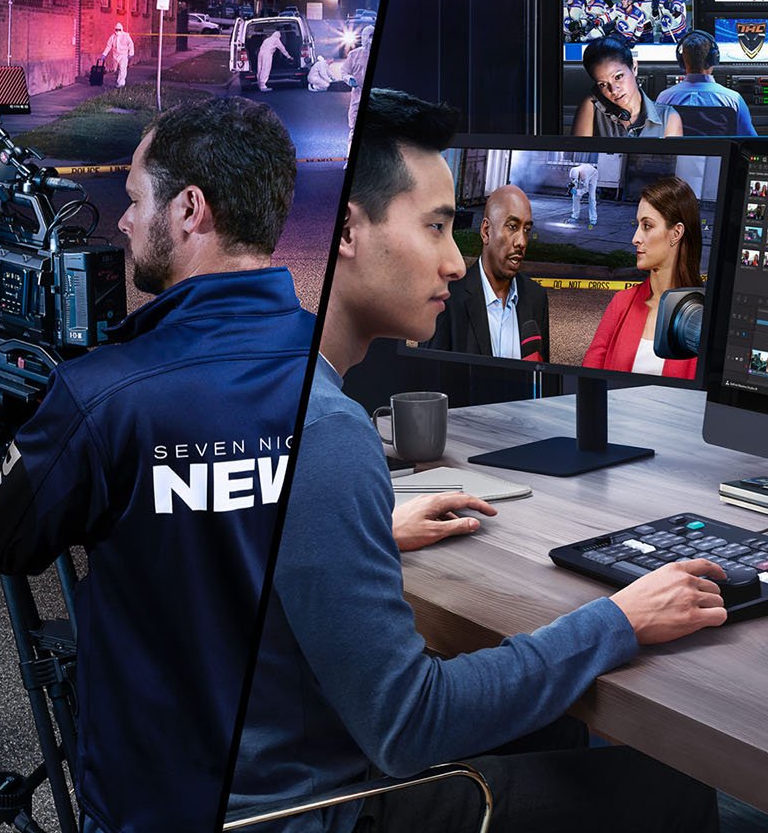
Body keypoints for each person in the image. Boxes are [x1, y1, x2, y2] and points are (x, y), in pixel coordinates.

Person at [227, 88, 723, 833]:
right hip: (321, 809)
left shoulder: (263, 384)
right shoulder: (328, 429)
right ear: (348, 229)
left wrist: (363, 528)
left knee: (550, 728)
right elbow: (408, 725)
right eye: (436, 228)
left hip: (254, 769)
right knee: (671, 789)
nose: (456, 263)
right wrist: (615, 619)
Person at [0, 97, 315, 832]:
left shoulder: (108, 393)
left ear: (190, 209)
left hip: (148, 792)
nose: (122, 221)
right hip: (298, 785)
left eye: (133, 198)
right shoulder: (326, 361)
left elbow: (9, 537)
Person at [583, 176, 704, 378]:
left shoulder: (705, 317)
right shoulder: (621, 303)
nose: (635, 239)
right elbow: (588, 381)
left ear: (676, 233)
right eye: (638, 225)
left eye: (647, 226)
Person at [426, 184, 551, 360]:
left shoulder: (536, 297)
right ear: (486, 231)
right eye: (512, 227)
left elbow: (541, 376)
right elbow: (430, 378)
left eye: (527, 230)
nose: (521, 242)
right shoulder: (448, 299)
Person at [571, 35, 683, 137]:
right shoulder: (592, 108)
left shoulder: (668, 118)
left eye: (618, 77)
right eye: (603, 84)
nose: (614, 90)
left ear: (634, 68)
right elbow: (578, 157)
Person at [657, 30, 758, 137]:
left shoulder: (664, 99)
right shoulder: (733, 100)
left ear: (681, 60)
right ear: (714, 59)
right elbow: (750, 142)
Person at [345, 24, 374, 141]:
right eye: (369, 36)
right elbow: (344, 71)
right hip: (358, 96)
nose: (371, 39)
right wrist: (348, 79)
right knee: (354, 128)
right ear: (363, 37)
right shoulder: (354, 54)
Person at [101, 22, 135, 88]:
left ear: (122, 29)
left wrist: (131, 53)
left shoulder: (126, 36)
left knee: (123, 69)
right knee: (115, 70)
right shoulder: (113, 37)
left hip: (124, 55)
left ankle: (121, 83)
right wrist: (104, 54)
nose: (118, 31)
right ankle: (117, 81)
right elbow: (109, 46)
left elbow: (131, 44)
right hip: (115, 55)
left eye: (119, 30)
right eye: (116, 30)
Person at [569, 162, 600, 226]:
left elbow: (586, 189)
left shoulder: (584, 175)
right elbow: (574, 181)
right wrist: (574, 189)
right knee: (575, 197)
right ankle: (575, 216)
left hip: (593, 175)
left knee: (591, 197)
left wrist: (577, 192)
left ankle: (593, 218)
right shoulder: (574, 171)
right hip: (582, 175)